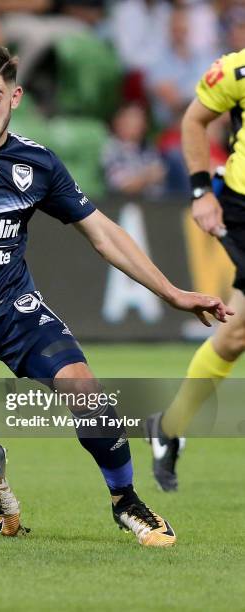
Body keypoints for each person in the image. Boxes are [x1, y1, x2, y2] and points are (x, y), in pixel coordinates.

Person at [0, 44, 231, 546]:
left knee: (85, 389)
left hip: (12, 307)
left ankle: (126, 501)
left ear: (16, 97)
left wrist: (171, 292)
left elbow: (102, 232)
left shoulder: (38, 163)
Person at [146, 48, 245, 491]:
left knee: (236, 333)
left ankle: (169, 425)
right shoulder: (236, 70)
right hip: (242, 205)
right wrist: (202, 191)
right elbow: (193, 121)